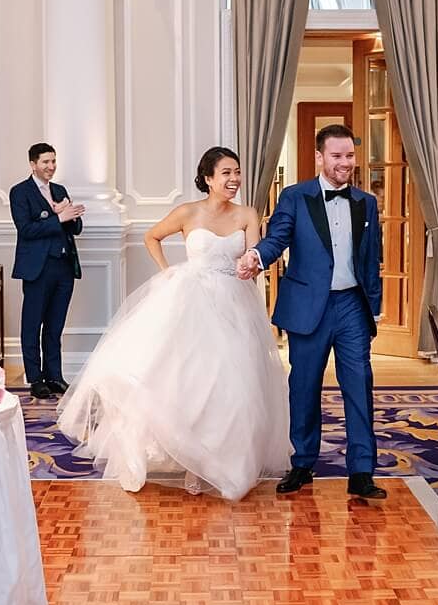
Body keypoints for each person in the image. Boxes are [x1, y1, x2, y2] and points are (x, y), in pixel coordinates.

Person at [57, 147, 289, 501]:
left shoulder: (247, 213)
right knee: (188, 382)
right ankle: (189, 460)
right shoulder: (187, 211)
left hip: (235, 303)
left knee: (232, 385)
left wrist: (250, 265)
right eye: (226, 173)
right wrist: (169, 272)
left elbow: (254, 256)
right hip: (191, 301)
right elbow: (152, 236)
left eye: (237, 172)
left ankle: (218, 463)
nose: (234, 180)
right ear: (208, 178)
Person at [238, 124, 385, 499]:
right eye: (336, 156)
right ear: (319, 157)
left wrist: (375, 306)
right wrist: (256, 256)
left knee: (359, 385)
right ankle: (302, 463)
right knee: (303, 387)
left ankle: (362, 471)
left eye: (349, 155)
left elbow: (372, 259)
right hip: (308, 306)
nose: (345, 163)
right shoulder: (295, 196)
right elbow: (278, 237)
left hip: (352, 304)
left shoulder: (366, 202)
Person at [10, 143, 85, 399]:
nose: (51, 167)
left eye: (53, 161)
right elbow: (26, 230)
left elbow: (74, 229)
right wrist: (56, 219)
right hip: (37, 269)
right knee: (32, 324)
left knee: (55, 326)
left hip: (63, 267)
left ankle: (54, 375)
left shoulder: (60, 190)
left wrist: (71, 216)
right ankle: (36, 379)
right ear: (33, 164)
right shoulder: (20, 193)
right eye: (45, 162)